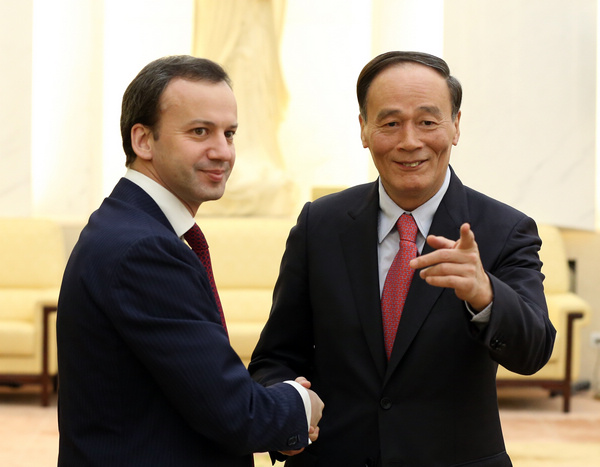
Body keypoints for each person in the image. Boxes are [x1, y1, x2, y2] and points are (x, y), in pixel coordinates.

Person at [249, 51, 556, 466]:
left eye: (428, 122)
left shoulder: (505, 229)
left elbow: (533, 351)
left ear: (456, 126)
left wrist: (486, 296)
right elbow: (277, 356)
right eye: (390, 123)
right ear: (363, 129)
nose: (409, 141)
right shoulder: (319, 224)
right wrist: (286, 414)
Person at [56, 55, 323, 467]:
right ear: (143, 141)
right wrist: (298, 403)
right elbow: (237, 414)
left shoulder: (127, 226)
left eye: (229, 133)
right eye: (200, 132)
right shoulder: (143, 249)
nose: (223, 151)